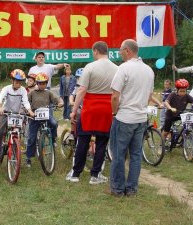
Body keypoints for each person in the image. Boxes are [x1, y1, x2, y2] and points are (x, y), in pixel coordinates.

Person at [66, 41, 118, 185]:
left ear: (95, 51)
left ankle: (75, 173)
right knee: (102, 142)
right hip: (106, 108)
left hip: (90, 107)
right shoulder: (117, 68)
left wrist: (74, 110)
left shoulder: (90, 67)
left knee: (83, 140)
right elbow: (117, 93)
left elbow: (82, 90)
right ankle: (95, 175)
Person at [110, 39, 154, 197]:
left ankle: (117, 189)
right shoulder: (149, 70)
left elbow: (115, 96)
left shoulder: (124, 68)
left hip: (124, 118)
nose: (120, 52)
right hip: (141, 118)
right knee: (136, 155)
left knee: (118, 154)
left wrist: (115, 113)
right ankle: (132, 189)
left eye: (121, 49)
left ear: (127, 50)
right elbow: (149, 95)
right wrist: (141, 108)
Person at [0, 69, 34, 165]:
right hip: (6, 113)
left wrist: (29, 111)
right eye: (16, 81)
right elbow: (0, 98)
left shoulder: (23, 90)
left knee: (17, 133)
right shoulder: (6, 88)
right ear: (12, 80)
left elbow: (25, 101)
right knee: (0, 132)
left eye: (20, 82)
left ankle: (15, 150)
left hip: (17, 114)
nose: (18, 83)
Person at [26, 73, 63, 167]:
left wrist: (60, 102)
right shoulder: (32, 93)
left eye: (44, 83)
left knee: (54, 123)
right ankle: (29, 158)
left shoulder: (48, 92)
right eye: (40, 83)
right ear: (37, 83)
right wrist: (28, 110)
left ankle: (53, 139)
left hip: (46, 114)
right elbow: (25, 102)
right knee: (31, 138)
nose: (42, 85)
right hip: (35, 115)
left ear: (46, 83)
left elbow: (57, 99)